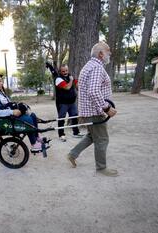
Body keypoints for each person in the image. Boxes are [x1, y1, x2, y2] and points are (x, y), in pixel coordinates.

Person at [67, 41, 118, 177]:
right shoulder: (96, 67)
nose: (110, 53)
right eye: (108, 50)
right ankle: (101, 168)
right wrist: (106, 108)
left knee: (92, 136)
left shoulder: (90, 66)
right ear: (101, 54)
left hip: (89, 110)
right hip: (94, 111)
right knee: (102, 139)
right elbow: (93, 91)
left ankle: (72, 154)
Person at [0, 70, 43, 152]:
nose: (2, 83)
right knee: (28, 120)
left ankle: (36, 138)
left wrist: (17, 108)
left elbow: (8, 103)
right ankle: (34, 145)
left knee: (32, 115)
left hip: (9, 115)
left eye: (2, 81)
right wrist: (12, 112)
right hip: (1, 120)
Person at [55, 64, 84, 142]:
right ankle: (61, 135)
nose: (65, 72)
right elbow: (67, 87)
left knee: (74, 117)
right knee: (61, 118)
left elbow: (77, 84)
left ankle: (76, 132)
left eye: (66, 70)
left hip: (72, 102)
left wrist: (78, 85)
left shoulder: (70, 76)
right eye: (63, 71)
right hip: (62, 103)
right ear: (60, 71)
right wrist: (71, 80)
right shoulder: (58, 79)